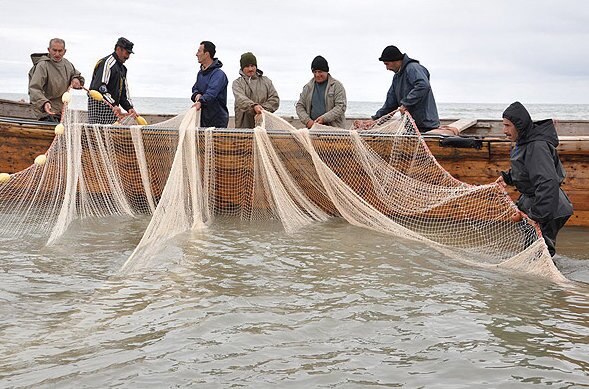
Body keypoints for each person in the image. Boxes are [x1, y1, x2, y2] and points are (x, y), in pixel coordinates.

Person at [496, 102, 573, 257]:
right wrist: (508, 178)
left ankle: (550, 282)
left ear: (519, 125)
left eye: (508, 126)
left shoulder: (537, 146)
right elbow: (527, 171)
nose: (504, 131)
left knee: (538, 255)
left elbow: (547, 182)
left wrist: (537, 215)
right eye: (503, 125)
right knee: (533, 252)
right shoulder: (524, 142)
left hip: (549, 207)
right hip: (540, 204)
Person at [371, 45, 439, 132]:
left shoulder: (413, 68)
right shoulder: (397, 77)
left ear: (395, 60)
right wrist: (375, 120)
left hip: (426, 125)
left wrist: (406, 104)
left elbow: (423, 85)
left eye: (387, 64)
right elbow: (390, 104)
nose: (387, 68)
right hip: (411, 126)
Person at [28, 38, 84, 122]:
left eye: (60, 51)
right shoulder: (42, 66)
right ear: (49, 50)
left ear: (65, 51)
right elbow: (34, 89)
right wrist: (44, 103)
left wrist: (76, 79)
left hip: (61, 111)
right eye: (54, 50)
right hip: (44, 112)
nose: (57, 54)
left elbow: (78, 76)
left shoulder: (67, 64)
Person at [88, 37, 137, 124]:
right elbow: (100, 87)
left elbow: (123, 93)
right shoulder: (106, 63)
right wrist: (113, 104)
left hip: (113, 111)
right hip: (98, 110)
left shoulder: (123, 69)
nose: (128, 56)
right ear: (118, 49)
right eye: (127, 53)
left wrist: (129, 108)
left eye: (129, 53)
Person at [295, 55, 346, 129]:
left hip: (334, 130)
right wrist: (308, 121)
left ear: (326, 71)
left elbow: (341, 107)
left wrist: (324, 118)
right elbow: (300, 106)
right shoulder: (308, 87)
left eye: (320, 71)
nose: (317, 75)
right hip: (313, 129)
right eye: (315, 72)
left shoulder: (336, 86)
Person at [232, 52, 280, 128]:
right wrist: (253, 107)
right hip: (244, 126)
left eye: (252, 66)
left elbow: (275, 100)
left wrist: (262, 110)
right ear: (242, 68)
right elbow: (241, 100)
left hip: (264, 126)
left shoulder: (266, 81)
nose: (250, 69)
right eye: (247, 66)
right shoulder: (237, 83)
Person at [191, 41, 229, 128]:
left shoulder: (219, 74)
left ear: (207, 54)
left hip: (218, 121)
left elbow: (211, 93)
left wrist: (200, 101)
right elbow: (195, 88)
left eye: (199, 51)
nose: (196, 54)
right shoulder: (200, 74)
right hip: (204, 119)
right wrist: (196, 95)